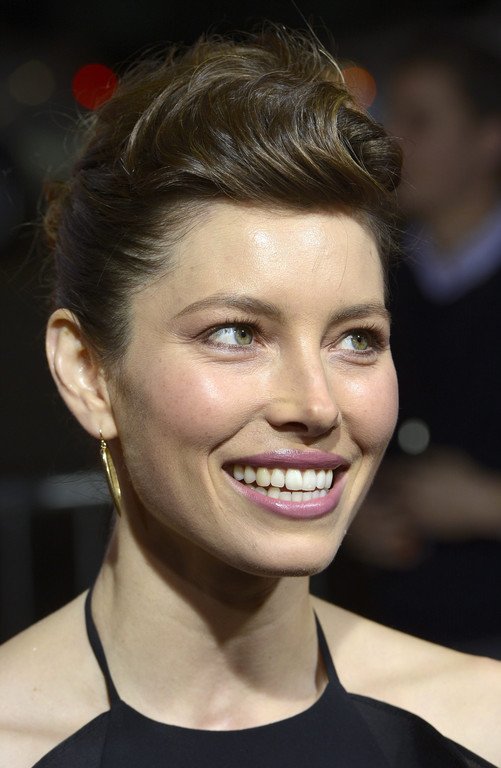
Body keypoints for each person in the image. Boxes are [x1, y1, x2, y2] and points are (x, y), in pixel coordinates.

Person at [0, 27, 500, 768]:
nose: (318, 405)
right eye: (237, 334)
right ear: (88, 372)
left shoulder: (479, 727)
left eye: (356, 339)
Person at [341, 34, 501, 657]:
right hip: (398, 633)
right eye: (391, 118)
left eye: (421, 121)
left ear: (490, 138)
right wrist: (353, 514)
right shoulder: (376, 279)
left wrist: (483, 505)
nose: (394, 141)